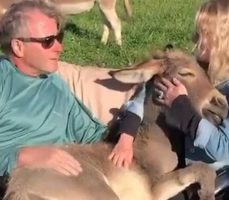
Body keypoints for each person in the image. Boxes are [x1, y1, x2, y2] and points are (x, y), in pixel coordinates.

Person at [0, 0, 142, 177]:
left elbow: (92, 134)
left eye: (59, 37)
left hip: (66, 177)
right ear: (18, 46)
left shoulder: (54, 84)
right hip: (15, 183)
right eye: (48, 41)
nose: (59, 47)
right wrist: (21, 157)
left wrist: (127, 133)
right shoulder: (3, 80)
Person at [155, 0, 229, 170]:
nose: (195, 39)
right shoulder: (213, 72)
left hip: (222, 180)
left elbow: (222, 148)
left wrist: (182, 108)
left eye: (202, 34)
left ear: (224, 41)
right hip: (188, 162)